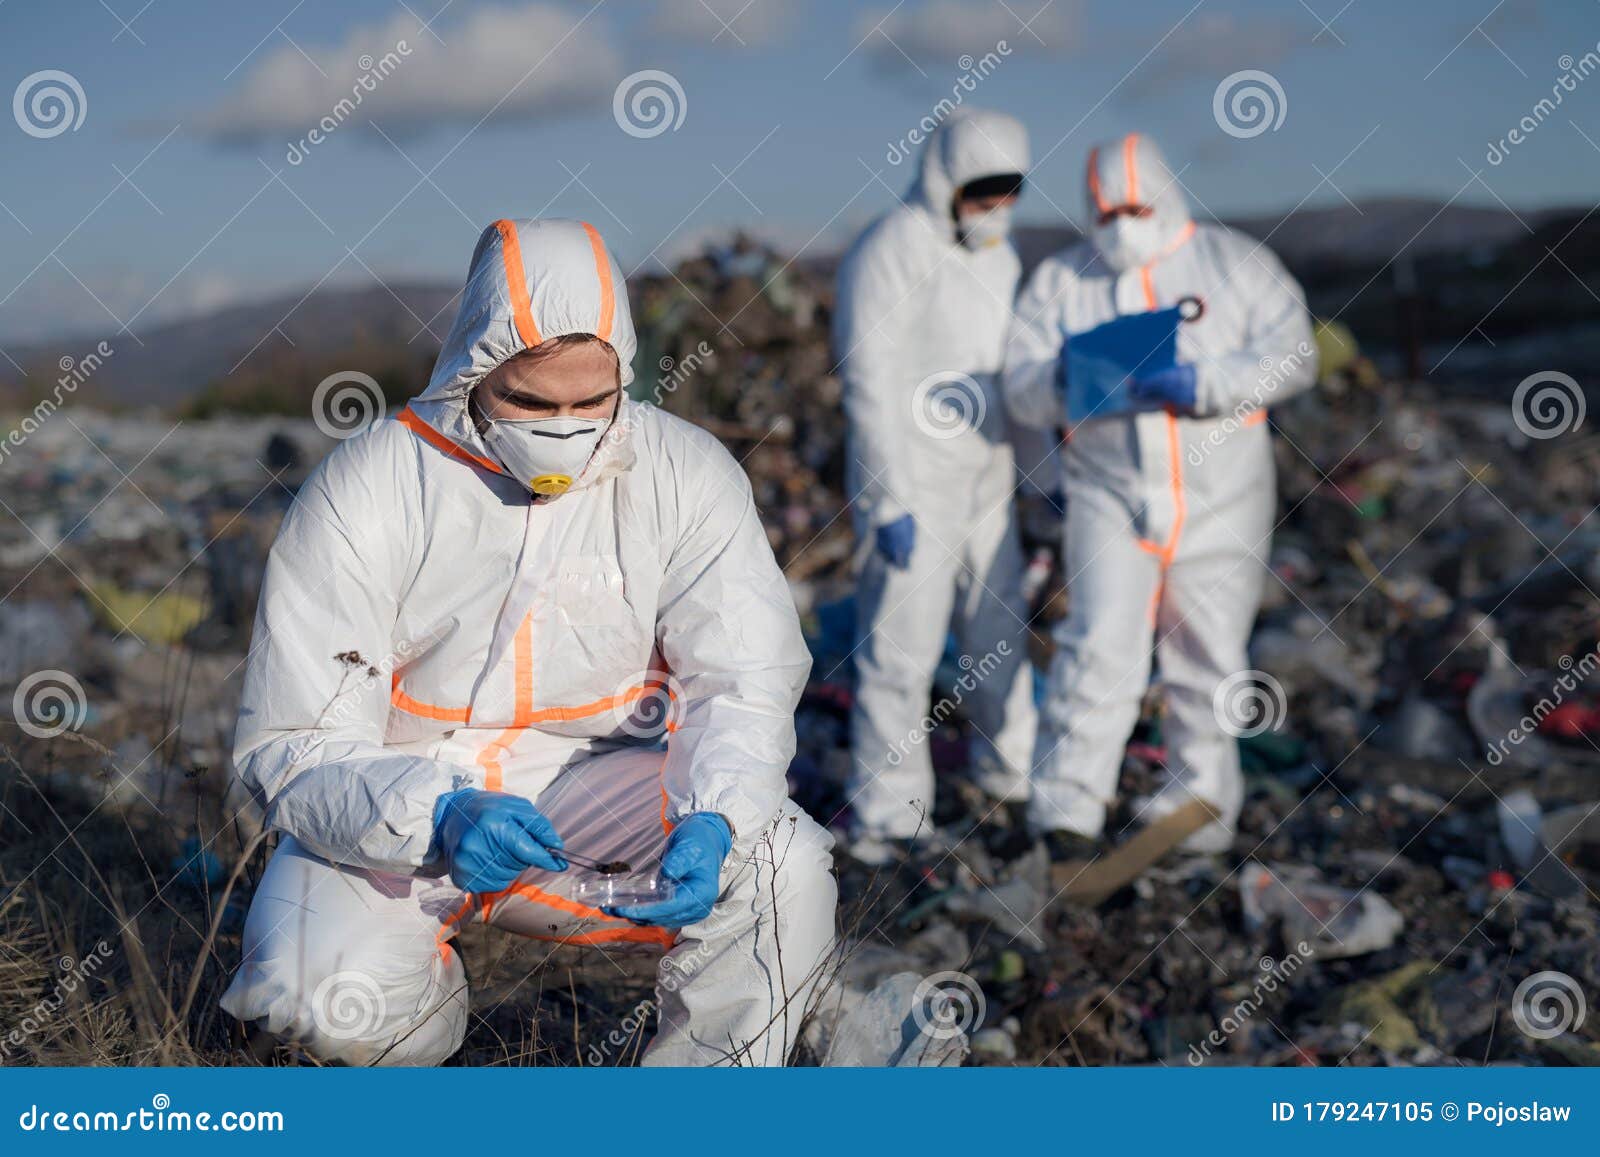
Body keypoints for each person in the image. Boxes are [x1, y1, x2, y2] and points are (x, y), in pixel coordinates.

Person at [220, 218, 837, 1066]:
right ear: (473, 370)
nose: (565, 428)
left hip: (595, 795)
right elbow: (289, 745)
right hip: (402, 804)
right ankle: (418, 1020)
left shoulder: (683, 474)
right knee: (313, 998)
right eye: (532, 401)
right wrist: (434, 815)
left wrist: (716, 817)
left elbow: (744, 676)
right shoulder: (370, 488)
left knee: (782, 865)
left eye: (592, 401)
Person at [1002, 133, 1317, 854]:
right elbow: (1018, 385)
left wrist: (1208, 384)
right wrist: (1070, 382)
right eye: (1106, 212)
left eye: (1136, 207)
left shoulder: (1233, 263)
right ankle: (1067, 812)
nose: (1122, 224)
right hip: (1110, 497)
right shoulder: (1060, 281)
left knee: (1207, 653)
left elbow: (1294, 352)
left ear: (1169, 196)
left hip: (1222, 503)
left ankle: (1197, 812)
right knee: (1097, 647)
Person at [833, 110, 1055, 862]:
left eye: (1007, 191)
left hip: (985, 479)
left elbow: (1017, 376)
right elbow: (869, 375)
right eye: (980, 191)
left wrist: (1041, 478)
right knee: (902, 653)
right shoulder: (892, 248)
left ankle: (1009, 783)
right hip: (914, 485)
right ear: (946, 181)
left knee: (998, 639)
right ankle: (889, 821)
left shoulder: (1001, 259)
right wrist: (887, 497)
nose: (993, 207)